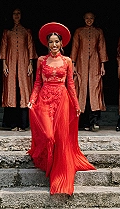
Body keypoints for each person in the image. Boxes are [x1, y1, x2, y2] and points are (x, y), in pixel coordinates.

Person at [28, 22, 96, 195]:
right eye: (50, 42)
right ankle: (46, 162)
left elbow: (70, 84)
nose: (53, 45)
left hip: (62, 99)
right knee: (48, 135)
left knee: (60, 137)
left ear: (61, 43)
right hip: (44, 98)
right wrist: (32, 99)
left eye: (56, 42)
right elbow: (37, 82)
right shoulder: (41, 60)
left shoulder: (67, 61)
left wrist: (76, 104)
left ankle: (57, 173)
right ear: (47, 43)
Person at [0, 8, 37, 131]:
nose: (16, 15)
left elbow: (30, 47)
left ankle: (23, 124)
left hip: (24, 62)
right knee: (12, 91)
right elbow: (4, 47)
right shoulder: (7, 31)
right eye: (14, 13)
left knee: (23, 91)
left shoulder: (26, 31)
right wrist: (4, 64)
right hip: (10, 63)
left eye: (18, 13)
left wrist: (31, 63)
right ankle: (12, 124)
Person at [70, 12, 108, 131]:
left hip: (95, 64)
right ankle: (83, 122)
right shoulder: (79, 31)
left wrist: (102, 65)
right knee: (82, 91)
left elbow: (102, 47)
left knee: (95, 92)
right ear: (84, 19)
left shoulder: (98, 31)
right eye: (87, 18)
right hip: (81, 64)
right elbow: (75, 47)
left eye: (91, 18)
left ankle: (95, 122)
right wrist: (73, 64)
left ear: (94, 19)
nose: (89, 20)